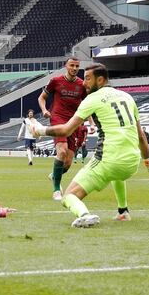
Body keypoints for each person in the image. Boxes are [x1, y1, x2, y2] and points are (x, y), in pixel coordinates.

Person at [32, 63, 149, 227]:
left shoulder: (92, 99)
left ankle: (85, 215)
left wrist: (40, 130)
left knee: (68, 197)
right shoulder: (127, 97)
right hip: (131, 163)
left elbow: (66, 130)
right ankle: (123, 212)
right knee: (116, 175)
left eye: (88, 79)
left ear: (100, 80)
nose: (84, 83)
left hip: (108, 160)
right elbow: (141, 136)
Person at [38, 56, 89, 202]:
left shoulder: (81, 85)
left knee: (67, 163)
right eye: (72, 65)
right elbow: (41, 98)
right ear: (66, 66)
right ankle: (56, 190)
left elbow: (87, 104)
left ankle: (55, 175)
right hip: (58, 118)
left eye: (77, 66)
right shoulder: (55, 81)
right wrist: (44, 110)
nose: (74, 68)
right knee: (61, 151)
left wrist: (90, 123)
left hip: (74, 122)